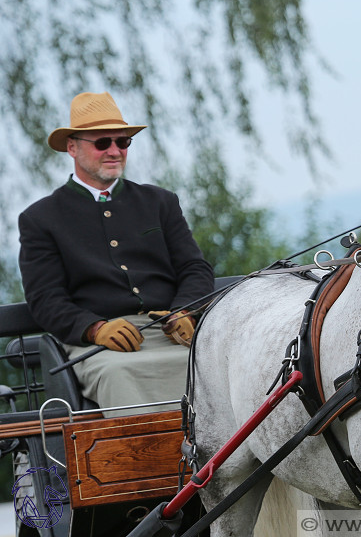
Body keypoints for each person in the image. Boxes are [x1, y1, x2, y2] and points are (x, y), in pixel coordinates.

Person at [18, 91, 214, 416]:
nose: (114, 151)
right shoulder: (41, 219)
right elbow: (45, 298)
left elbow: (195, 268)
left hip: (171, 332)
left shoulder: (160, 202)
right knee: (118, 374)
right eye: (102, 142)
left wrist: (184, 311)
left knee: (220, 364)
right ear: (72, 147)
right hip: (97, 346)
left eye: (123, 143)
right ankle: (147, 466)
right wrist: (95, 328)